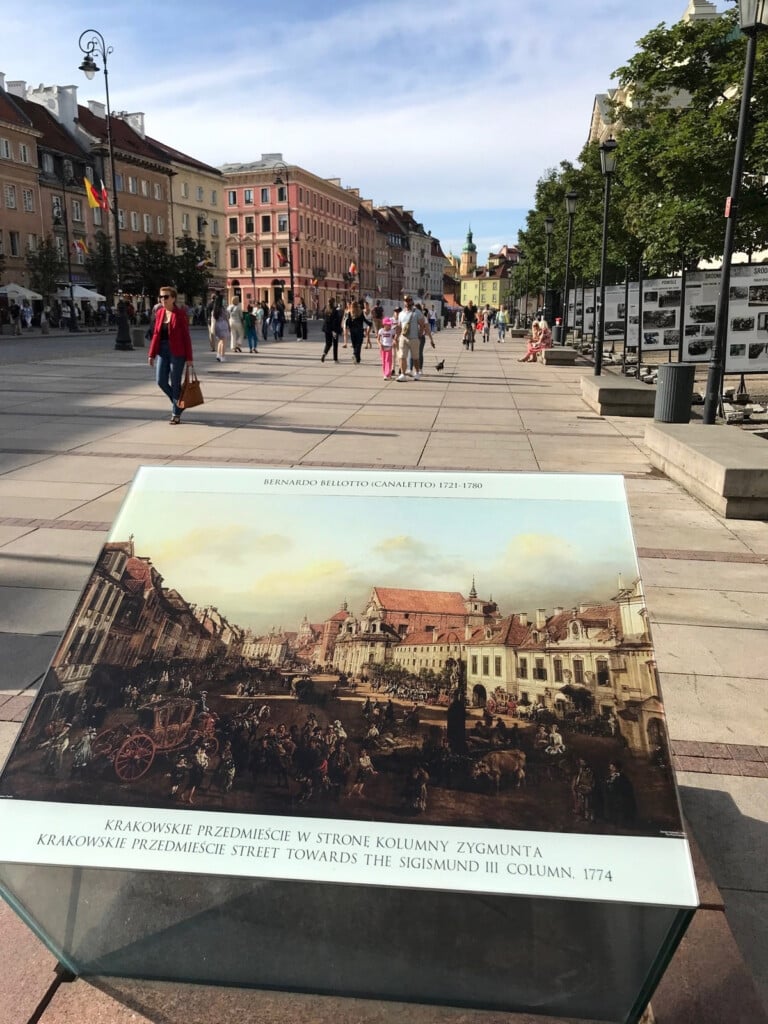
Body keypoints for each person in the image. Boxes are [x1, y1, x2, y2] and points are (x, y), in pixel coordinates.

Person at [148, 286, 194, 425]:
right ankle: (180, 403)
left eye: (166, 297)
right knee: (160, 381)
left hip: (177, 352)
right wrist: (151, 354)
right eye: (161, 297)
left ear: (173, 298)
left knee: (175, 383)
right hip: (162, 351)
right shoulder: (160, 313)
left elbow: (186, 336)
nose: (163, 299)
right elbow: (155, 334)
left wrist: (189, 358)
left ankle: (175, 413)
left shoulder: (179, 314)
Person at [395, 294, 428, 381]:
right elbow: (399, 326)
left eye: (409, 300)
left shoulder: (417, 312)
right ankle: (403, 374)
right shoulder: (401, 314)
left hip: (414, 338)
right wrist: (396, 337)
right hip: (403, 337)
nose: (407, 302)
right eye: (406, 301)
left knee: (415, 357)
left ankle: (417, 373)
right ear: (404, 302)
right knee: (402, 356)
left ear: (412, 301)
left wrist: (420, 334)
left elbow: (422, 324)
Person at [321, 298, 343, 363]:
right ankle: (335, 359)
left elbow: (324, 318)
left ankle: (324, 353)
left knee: (328, 343)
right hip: (334, 330)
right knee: (335, 344)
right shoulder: (335, 311)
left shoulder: (326, 310)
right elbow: (337, 320)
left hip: (326, 329)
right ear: (334, 303)